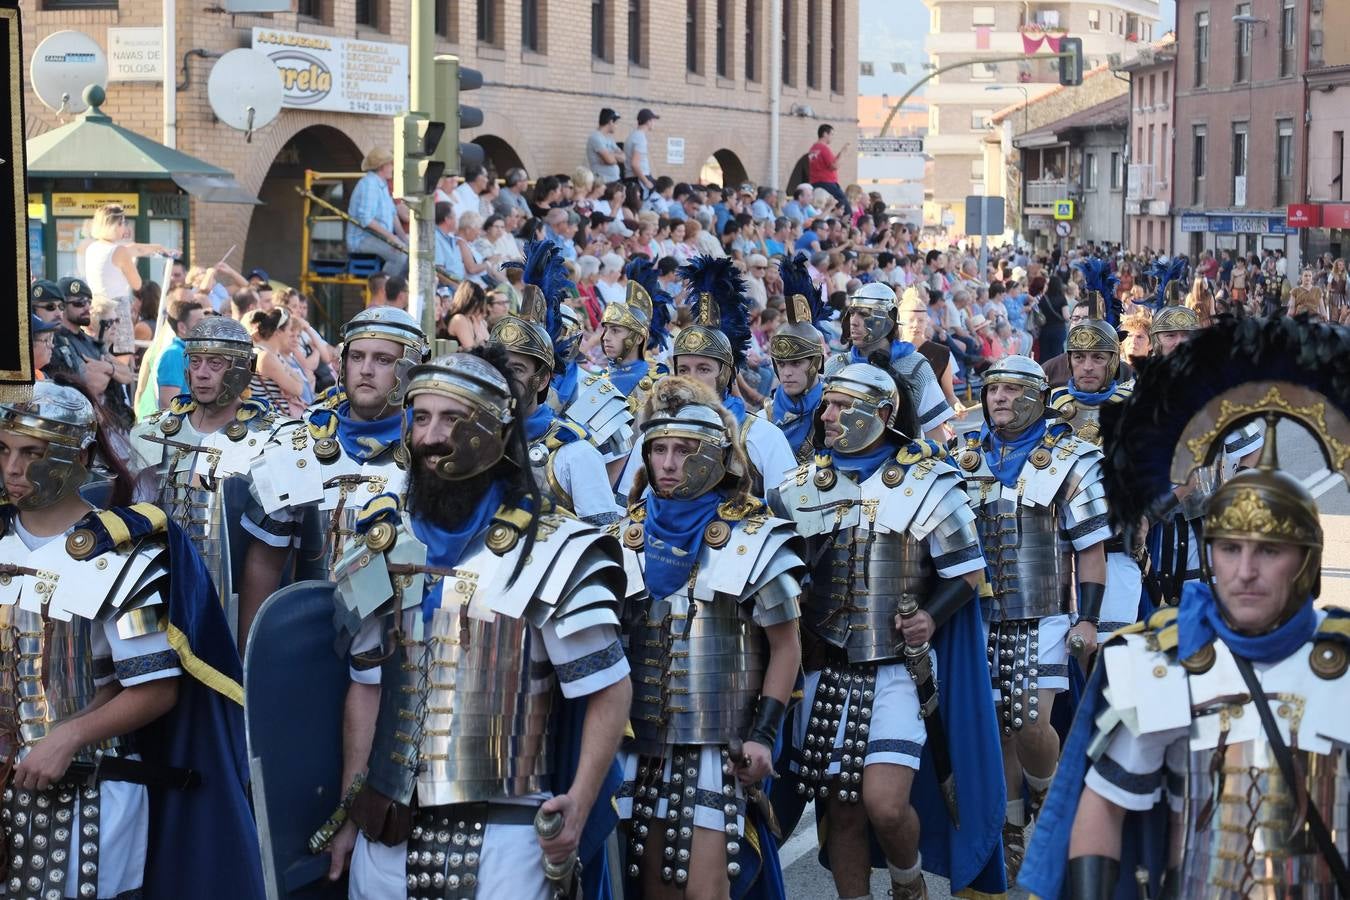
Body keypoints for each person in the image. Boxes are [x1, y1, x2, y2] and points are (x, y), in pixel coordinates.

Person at [1021, 316, 1350, 900]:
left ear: (1306, 561)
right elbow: (1104, 808)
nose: (1245, 570)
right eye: (1231, 549)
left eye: (1269, 550)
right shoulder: (1159, 664)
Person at [322, 348, 632, 900]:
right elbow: (366, 688)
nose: (431, 436)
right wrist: (351, 807)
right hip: (387, 833)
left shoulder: (553, 550)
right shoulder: (381, 544)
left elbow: (609, 689)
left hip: (507, 839)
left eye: (452, 419)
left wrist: (580, 805)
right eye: (421, 417)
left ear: (494, 432)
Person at [0, 381, 265, 900]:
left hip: (89, 793)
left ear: (78, 456)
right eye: (4, 449)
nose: (12, 468)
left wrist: (67, 738)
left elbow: (155, 689)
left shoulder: (125, 558)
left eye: (32, 453)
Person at [770, 361, 1006, 900]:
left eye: (840, 406)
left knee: (885, 804)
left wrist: (930, 617)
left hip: (899, 670)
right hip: (826, 669)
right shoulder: (796, 489)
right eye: (826, 405)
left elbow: (968, 572)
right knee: (842, 811)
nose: (826, 415)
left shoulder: (930, 481)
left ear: (881, 414)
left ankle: (908, 881)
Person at [616, 375, 804, 899]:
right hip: (639, 744)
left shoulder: (753, 536)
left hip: (718, 746)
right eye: (659, 450)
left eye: (684, 451)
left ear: (717, 457)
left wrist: (763, 735)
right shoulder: (621, 538)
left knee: (706, 891)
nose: (668, 463)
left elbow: (786, 645)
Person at [953, 355, 1110, 880]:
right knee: (999, 725)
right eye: (992, 389)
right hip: (979, 614)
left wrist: (1088, 619)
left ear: (1039, 398)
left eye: (1012, 390)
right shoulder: (963, 456)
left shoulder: (1071, 457)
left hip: (1044, 612)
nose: (998, 398)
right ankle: (1013, 829)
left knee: (1029, 720)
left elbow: (1091, 550)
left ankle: (1047, 796)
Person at [238, 307, 429, 647]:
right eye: (357, 356)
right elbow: (264, 564)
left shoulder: (436, 451)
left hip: (404, 645)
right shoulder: (297, 443)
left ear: (410, 370)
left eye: (383, 360)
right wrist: (250, 660)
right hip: (309, 643)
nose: (366, 369)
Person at [129, 317, 282, 622]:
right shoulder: (151, 433)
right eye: (195, 361)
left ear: (242, 368)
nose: (201, 373)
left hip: (232, 602)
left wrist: (248, 641)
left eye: (215, 363)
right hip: (159, 600)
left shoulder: (273, 440)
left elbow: (271, 556)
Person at [488, 247, 621, 525]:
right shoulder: (473, 440)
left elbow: (600, 539)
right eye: (497, 365)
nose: (504, 377)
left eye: (517, 369)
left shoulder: (576, 455)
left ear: (542, 379)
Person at [1048, 318, 1144, 643]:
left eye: (1098, 357)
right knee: (1065, 653)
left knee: (1111, 649)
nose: (1087, 366)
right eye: (1079, 357)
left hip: (1116, 546)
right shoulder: (1049, 408)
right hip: (1058, 552)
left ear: (1113, 361)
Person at [670, 256, 798, 497]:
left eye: (703, 369)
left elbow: (787, 509)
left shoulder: (763, 436)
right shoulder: (659, 432)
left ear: (725, 373)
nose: (691, 380)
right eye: (683, 370)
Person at [827, 281, 954, 441]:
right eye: (852, 313)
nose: (854, 321)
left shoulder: (915, 366)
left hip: (903, 455)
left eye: (864, 314)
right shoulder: (836, 366)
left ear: (889, 319)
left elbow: (934, 433)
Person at [766, 253, 830, 462]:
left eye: (796, 363)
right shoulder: (764, 418)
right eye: (781, 364)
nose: (786, 373)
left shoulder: (836, 410)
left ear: (816, 362)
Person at [601, 258, 670, 399]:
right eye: (606, 329)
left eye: (615, 330)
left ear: (638, 338)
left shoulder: (658, 384)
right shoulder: (601, 378)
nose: (606, 337)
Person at [345, 147, 408, 274]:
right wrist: (392, 238)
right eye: (391, 164)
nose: (393, 168)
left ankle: (400, 284)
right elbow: (366, 220)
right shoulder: (369, 184)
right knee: (401, 255)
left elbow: (393, 215)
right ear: (382, 166)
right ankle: (386, 285)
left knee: (415, 250)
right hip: (362, 239)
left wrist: (404, 239)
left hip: (378, 237)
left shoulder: (382, 184)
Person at [154, 295, 206, 408]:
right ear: (182, 327)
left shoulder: (189, 353)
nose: (205, 327)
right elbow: (168, 403)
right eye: (200, 323)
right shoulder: (173, 354)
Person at [808, 124, 850, 215]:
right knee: (845, 207)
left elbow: (830, 162)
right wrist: (843, 153)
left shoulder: (813, 148)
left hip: (815, 182)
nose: (832, 137)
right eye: (831, 134)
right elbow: (834, 166)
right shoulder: (823, 148)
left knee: (828, 207)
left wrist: (840, 153)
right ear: (825, 134)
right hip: (827, 183)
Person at [443, 279, 492, 349]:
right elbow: (471, 349)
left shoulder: (474, 319)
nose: (479, 309)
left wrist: (480, 325)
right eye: (478, 305)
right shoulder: (459, 319)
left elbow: (490, 346)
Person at [587, 107, 624, 184]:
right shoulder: (596, 137)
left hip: (614, 181)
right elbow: (609, 160)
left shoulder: (610, 139)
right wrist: (614, 157)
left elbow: (623, 157)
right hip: (604, 183)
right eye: (616, 123)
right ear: (611, 122)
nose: (616, 126)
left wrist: (611, 155)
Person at [626, 108, 659, 194]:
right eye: (653, 121)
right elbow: (635, 164)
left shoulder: (633, 136)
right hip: (639, 179)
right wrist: (646, 182)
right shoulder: (640, 138)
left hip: (632, 178)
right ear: (648, 121)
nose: (654, 123)